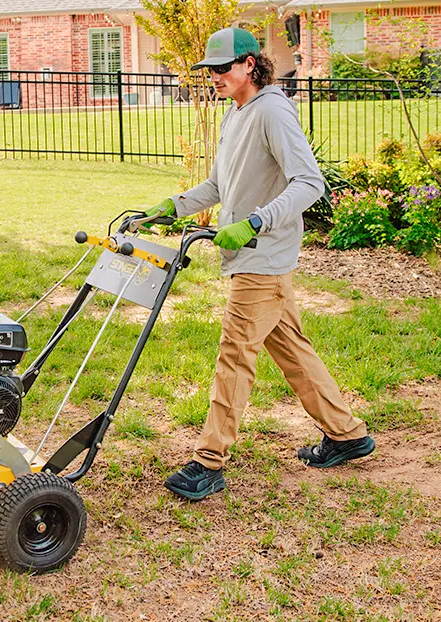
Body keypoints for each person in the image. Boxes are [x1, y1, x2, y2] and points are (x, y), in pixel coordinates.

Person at [146, 27, 375, 501]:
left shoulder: (273, 110)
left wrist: (255, 222)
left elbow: (309, 182)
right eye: (210, 70)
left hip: (262, 255)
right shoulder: (236, 113)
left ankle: (209, 461)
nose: (214, 77)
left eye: (223, 68)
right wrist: (173, 205)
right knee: (291, 349)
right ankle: (346, 433)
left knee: (234, 355)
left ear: (250, 64)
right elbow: (218, 185)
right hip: (253, 255)